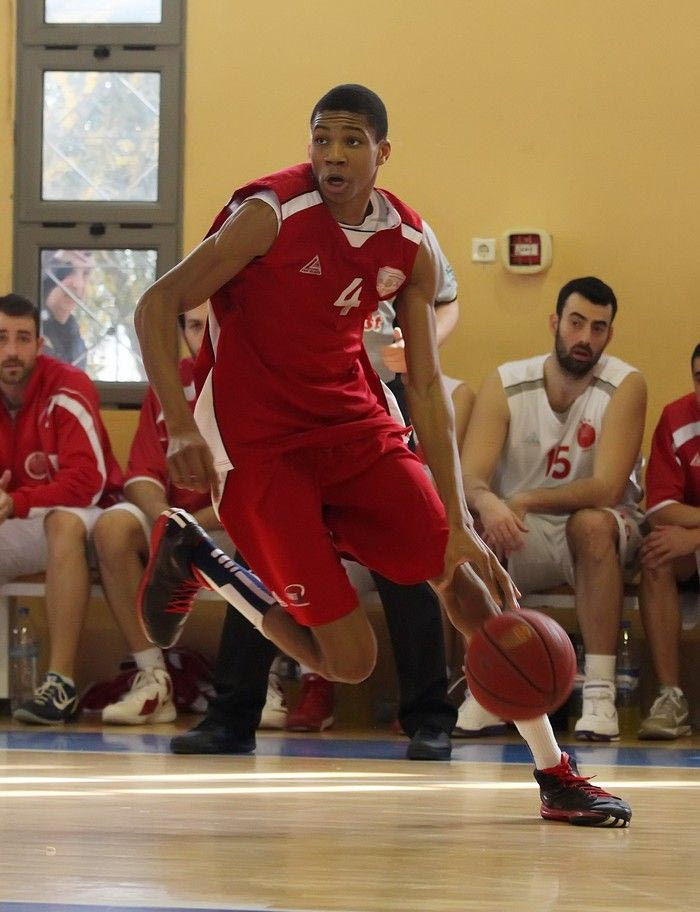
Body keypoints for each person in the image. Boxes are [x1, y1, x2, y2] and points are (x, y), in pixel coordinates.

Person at [134, 85, 631, 826]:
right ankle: (206, 561)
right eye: (322, 139)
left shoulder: (409, 242)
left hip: (354, 428)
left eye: (352, 141)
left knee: (465, 579)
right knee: (349, 661)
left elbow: (425, 385)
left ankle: (555, 772)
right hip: (261, 447)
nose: (333, 155)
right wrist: (179, 427)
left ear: (382, 153)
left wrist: (457, 517)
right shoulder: (270, 215)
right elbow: (156, 305)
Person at [171, 224, 464, 760]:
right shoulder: (285, 222)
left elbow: (446, 302)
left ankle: (428, 717)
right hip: (296, 412)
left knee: (413, 562)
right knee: (267, 551)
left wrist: (423, 342)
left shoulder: (405, 233)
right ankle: (232, 714)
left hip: (373, 407)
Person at [460, 276, 647, 743]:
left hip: (598, 529)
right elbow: (469, 478)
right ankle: (484, 684)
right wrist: (491, 504)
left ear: (609, 335)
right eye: (576, 323)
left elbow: (606, 488)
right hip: (520, 530)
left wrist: (524, 499)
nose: (585, 338)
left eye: (598, 328)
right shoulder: (506, 382)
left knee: (591, 525)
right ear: (555, 323)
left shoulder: (625, 384)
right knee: (471, 529)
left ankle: (599, 690)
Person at [90, 302, 277, 725]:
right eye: (193, 326)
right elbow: (141, 477)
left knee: (268, 530)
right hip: (177, 520)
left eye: (212, 325)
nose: (203, 337)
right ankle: (153, 677)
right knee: (113, 527)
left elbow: (262, 491)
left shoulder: (260, 380)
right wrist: (169, 522)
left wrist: (187, 527)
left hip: (233, 521)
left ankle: (263, 680)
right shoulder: (168, 384)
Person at [0, 293, 123, 724]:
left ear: (39, 344)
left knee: (63, 524)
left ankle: (60, 683)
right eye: (1, 338)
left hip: (96, 513)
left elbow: (88, 483)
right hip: (25, 517)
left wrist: (17, 501)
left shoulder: (68, 385)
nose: (11, 350)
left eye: (22, 338)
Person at [637, 341, 700, 739]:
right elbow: (660, 509)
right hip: (687, 547)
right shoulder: (677, 417)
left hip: (693, 538)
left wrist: (694, 537)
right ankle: (671, 698)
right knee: (656, 553)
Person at [40, 250, 91, 369]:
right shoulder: (28, 330)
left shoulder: (78, 345)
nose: (78, 285)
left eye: (85, 274)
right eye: (67, 269)